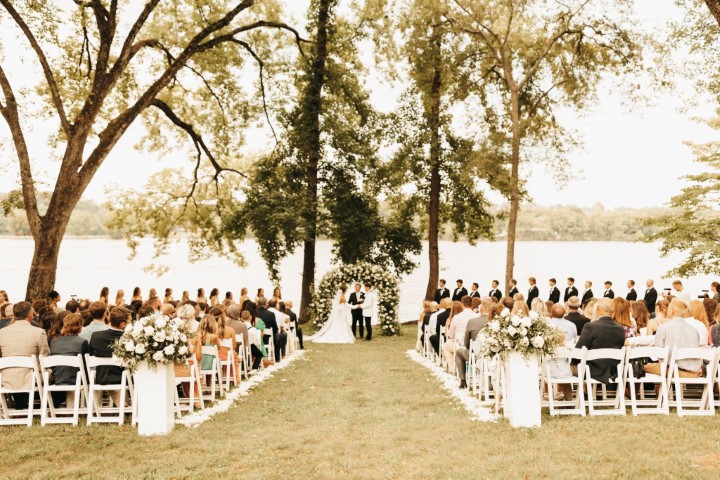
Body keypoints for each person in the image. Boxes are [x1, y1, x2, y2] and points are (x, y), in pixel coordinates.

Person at [0, 301, 50, 409]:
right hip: (30, 378)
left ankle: (18, 405)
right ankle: (46, 403)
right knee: (48, 371)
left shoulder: (2, 332)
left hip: (6, 378)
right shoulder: (39, 332)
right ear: (30, 315)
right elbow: (44, 356)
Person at [645, 299, 704, 377]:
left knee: (640, 367)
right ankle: (661, 388)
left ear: (672, 311)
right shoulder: (693, 330)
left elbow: (658, 354)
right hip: (694, 374)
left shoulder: (663, 328)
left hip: (675, 372)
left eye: (669, 309)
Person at [574, 298, 625, 384]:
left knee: (569, 368)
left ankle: (582, 393)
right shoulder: (620, 328)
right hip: (614, 371)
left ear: (597, 310)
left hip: (593, 371)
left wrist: (573, 363)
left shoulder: (590, 326)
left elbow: (579, 350)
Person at [88, 306, 131, 406]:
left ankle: (122, 405)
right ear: (123, 324)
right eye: (129, 321)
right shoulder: (128, 338)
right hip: (123, 377)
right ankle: (126, 406)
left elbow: (91, 354)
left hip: (101, 376)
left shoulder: (96, 336)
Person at [49, 313, 89, 407]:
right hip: (76, 379)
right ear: (80, 326)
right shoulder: (82, 342)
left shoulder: (54, 342)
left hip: (58, 378)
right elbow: (85, 364)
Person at [455, 298, 491, 388]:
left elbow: (466, 344)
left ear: (480, 309)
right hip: (493, 357)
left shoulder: (472, 321)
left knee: (459, 353)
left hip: (476, 356)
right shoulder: (497, 322)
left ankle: (463, 381)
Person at [547, 304, 578, 401]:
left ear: (551, 313)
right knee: (563, 364)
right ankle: (568, 398)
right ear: (565, 313)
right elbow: (574, 343)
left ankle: (548, 394)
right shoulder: (572, 325)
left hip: (549, 365)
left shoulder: (548, 324)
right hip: (566, 367)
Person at [442, 297, 475, 372]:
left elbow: (451, 335)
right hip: (474, 346)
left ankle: (452, 368)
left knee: (446, 346)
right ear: (472, 305)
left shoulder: (456, 317)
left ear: (462, 305)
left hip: (460, 346)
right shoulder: (476, 316)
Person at [256, 297, 285, 362]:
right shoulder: (270, 314)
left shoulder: (255, 313)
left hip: (257, 336)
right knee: (278, 335)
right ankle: (277, 357)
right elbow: (275, 328)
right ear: (266, 304)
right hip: (267, 337)